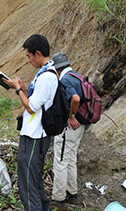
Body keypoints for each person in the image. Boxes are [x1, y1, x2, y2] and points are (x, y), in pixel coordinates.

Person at [4, 34, 57, 211]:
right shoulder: (45, 73)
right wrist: (21, 88)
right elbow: (36, 100)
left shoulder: (46, 77)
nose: (28, 60)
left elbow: (31, 107)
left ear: (38, 53)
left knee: (28, 185)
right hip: (33, 134)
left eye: (28, 56)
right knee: (33, 180)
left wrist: (18, 89)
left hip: (35, 135)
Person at [50, 52, 86, 209]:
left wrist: (71, 115)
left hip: (70, 127)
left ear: (57, 69)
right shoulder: (78, 76)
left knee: (60, 161)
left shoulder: (65, 80)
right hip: (81, 126)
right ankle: (73, 194)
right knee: (71, 159)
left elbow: (76, 98)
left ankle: (58, 199)